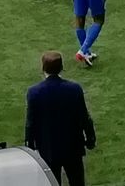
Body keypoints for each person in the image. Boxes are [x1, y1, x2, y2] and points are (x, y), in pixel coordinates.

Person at [25, 51, 96, 186]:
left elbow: (30, 123)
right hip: (73, 147)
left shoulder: (34, 92)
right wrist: (90, 138)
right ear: (61, 67)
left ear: (43, 68)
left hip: (48, 147)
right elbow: (84, 117)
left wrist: (30, 147)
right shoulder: (74, 89)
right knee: (77, 182)